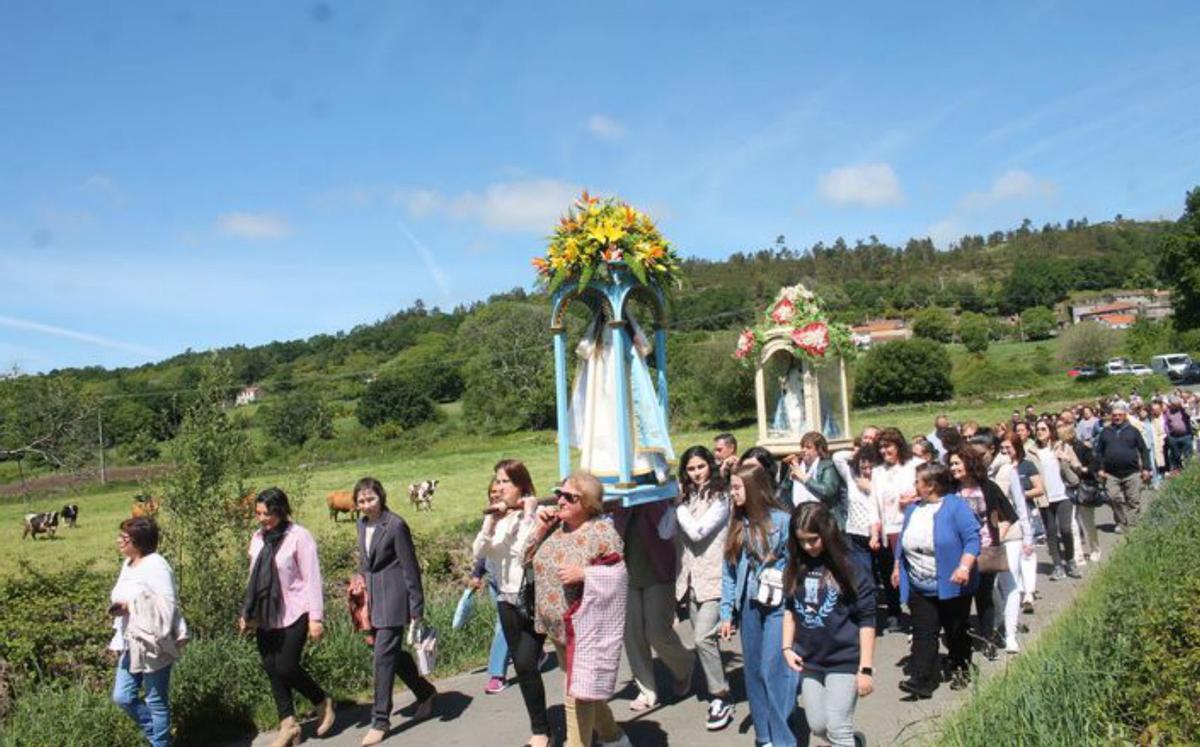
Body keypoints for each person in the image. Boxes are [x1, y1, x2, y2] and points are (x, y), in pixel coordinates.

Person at [529, 472, 632, 747]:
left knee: (576, 694)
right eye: (558, 493)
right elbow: (523, 559)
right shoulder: (555, 527)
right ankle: (614, 736)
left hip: (585, 629)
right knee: (583, 688)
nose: (559, 500)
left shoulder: (601, 532)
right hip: (557, 629)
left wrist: (584, 574)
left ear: (587, 504)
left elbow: (620, 576)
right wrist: (539, 530)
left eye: (569, 497)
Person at [241, 488, 334, 747]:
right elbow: (253, 579)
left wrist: (316, 618)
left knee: (286, 666)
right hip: (265, 614)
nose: (262, 519)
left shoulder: (299, 537)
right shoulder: (258, 538)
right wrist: (247, 613)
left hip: (295, 611)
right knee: (271, 668)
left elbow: (312, 578)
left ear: (281, 511)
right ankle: (288, 725)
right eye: (258, 513)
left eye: (267, 513)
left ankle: (321, 700)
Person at [781, 503, 876, 747]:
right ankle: (854, 742)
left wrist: (865, 668)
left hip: (844, 659)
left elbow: (867, 619)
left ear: (827, 533)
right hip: (810, 659)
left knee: (838, 728)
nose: (808, 547)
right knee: (818, 725)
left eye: (813, 540)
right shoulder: (796, 565)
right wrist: (786, 648)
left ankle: (846, 741)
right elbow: (790, 610)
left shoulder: (850, 565)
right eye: (801, 541)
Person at [354, 478, 438, 746]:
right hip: (371, 599)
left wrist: (417, 606)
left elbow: (409, 566)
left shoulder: (396, 525)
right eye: (361, 501)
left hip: (394, 597)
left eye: (371, 499)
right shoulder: (361, 524)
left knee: (382, 658)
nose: (366, 505)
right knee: (388, 653)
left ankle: (380, 720)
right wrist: (359, 587)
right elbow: (365, 560)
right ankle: (425, 692)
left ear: (382, 497)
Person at [718, 463, 796, 747]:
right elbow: (728, 569)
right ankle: (764, 736)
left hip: (778, 605)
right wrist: (726, 611)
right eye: (732, 487)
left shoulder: (783, 520)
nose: (733, 492)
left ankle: (783, 738)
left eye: (738, 487)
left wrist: (781, 573)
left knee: (772, 669)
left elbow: (796, 561)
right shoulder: (738, 523)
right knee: (753, 671)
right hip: (749, 603)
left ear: (753, 488)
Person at [472, 461, 548, 746]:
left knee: (530, 661)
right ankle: (540, 731)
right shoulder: (497, 516)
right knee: (523, 666)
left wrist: (528, 517)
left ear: (522, 486)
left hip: (534, 597)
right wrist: (491, 523)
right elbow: (481, 551)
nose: (499, 487)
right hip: (506, 597)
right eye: (497, 481)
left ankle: (590, 721)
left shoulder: (538, 513)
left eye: (506, 482)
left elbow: (522, 554)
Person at [659, 446, 734, 730]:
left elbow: (698, 531)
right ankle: (715, 687)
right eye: (690, 469)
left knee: (703, 637)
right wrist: (674, 502)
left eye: (700, 467)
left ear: (710, 467)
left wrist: (678, 508)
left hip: (715, 577)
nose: (696, 473)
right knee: (703, 639)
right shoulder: (686, 498)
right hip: (689, 580)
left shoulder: (721, 497)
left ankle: (721, 695)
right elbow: (664, 532)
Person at [892, 462, 980, 698]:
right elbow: (903, 540)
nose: (914, 485)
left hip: (952, 583)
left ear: (931, 486)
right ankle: (922, 679)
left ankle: (961, 668)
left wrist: (964, 567)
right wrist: (897, 566)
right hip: (919, 584)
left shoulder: (956, 507)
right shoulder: (914, 509)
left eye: (917, 481)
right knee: (924, 631)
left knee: (955, 630)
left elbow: (972, 539)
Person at [610, 497, 694, 713]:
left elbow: (667, 532)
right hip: (627, 575)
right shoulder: (618, 507)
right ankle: (646, 689)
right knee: (632, 634)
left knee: (657, 631)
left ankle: (684, 666)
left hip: (658, 573)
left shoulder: (658, 501)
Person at [109, 517, 185, 747]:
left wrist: (129, 607)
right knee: (122, 696)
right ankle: (159, 736)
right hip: (131, 641)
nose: (119, 541)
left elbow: (167, 604)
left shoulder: (156, 565)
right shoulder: (128, 563)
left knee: (155, 699)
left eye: (124, 538)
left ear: (139, 542)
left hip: (153, 642)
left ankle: (160, 743)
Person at [948, 445, 1017, 660]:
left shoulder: (988, 487)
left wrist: (997, 536)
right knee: (960, 597)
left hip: (985, 551)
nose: (953, 468)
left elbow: (1009, 515)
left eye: (957, 463)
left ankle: (988, 639)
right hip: (958, 552)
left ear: (969, 463)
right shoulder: (951, 490)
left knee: (984, 596)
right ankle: (963, 639)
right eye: (951, 464)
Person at [869, 428, 919, 631]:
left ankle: (918, 612)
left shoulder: (913, 466)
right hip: (887, 529)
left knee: (912, 571)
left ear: (898, 445)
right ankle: (894, 612)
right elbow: (874, 504)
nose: (884, 451)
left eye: (888, 446)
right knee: (889, 571)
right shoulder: (877, 472)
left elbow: (928, 490)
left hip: (910, 527)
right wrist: (874, 532)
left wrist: (914, 498)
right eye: (881, 447)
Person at [470, 479, 513, 695]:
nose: (496, 496)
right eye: (492, 493)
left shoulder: (518, 516)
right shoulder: (490, 517)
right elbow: (482, 548)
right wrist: (476, 574)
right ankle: (537, 655)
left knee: (503, 625)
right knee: (505, 623)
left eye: (500, 492)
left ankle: (497, 673)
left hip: (511, 578)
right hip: (493, 577)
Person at [1032, 419, 1080, 580]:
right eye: (1037, 429)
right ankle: (1057, 565)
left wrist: (1066, 458)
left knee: (1065, 529)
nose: (1040, 432)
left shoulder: (1062, 446)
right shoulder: (1032, 452)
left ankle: (1071, 560)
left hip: (1063, 494)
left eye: (1043, 428)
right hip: (1044, 498)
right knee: (1051, 532)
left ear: (1051, 430)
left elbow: (1077, 466)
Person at [1093, 401, 1151, 533]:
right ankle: (1122, 521)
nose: (1117, 417)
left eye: (1119, 415)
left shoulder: (1133, 431)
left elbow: (1143, 450)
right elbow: (1099, 452)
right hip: (1111, 474)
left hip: (1132, 472)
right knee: (1113, 498)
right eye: (1114, 415)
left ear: (1125, 415)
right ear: (1111, 417)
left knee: (1133, 500)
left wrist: (1146, 468)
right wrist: (1100, 468)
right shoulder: (1105, 432)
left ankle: (1132, 526)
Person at [832, 443, 881, 580]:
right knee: (863, 572)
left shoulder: (882, 479)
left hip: (878, 533)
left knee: (883, 570)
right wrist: (858, 454)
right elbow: (837, 457)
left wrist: (871, 488)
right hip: (857, 532)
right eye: (863, 468)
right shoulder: (852, 476)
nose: (867, 471)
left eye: (871, 467)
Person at [1055, 424, 1099, 565]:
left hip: (1083, 487)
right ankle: (1077, 553)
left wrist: (1082, 469)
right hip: (1067, 488)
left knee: (1087, 522)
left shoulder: (1083, 448)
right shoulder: (1057, 449)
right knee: (1072, 523)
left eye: (1063, 436)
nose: (1061, 439)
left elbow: (1094, 466)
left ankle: (1095, 549)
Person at [785, 431, 847, 525]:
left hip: (826, 519)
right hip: (801, 516)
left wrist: (805, 478)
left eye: (808, 448)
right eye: (802, 447)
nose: (803, 450)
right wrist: (789, 476)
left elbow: (827, 491)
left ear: (819, 450)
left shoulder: (827, 466)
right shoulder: (798, 466)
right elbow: (784, 490)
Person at [1165, 398, 1195, 472]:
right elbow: (1166, 423)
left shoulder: (1183, 410)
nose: (1173, 406)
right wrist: (1168, 434)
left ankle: (1189, 470)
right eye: (1172, 405)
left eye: (1175, 405)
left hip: (1186, 436)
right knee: (1176, 455)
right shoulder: (1168, 412)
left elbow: (1190, 414)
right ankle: (1179, 470)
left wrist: (1183, 407)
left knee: (1188, 454)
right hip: (1173, 437)